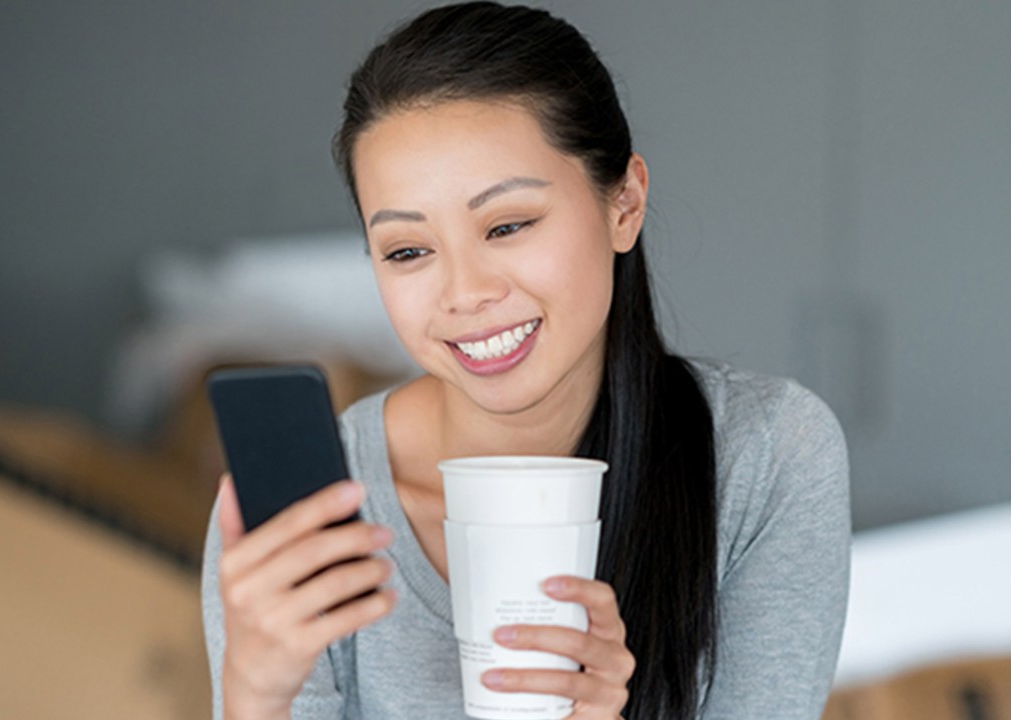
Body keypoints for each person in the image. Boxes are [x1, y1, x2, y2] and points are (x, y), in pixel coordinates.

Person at [202, 3, 850, 719]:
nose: (466, 295)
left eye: (507, 225)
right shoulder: (314, 525)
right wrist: (254, 695)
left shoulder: (764, 457)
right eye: (408, 251)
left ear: (625, 204)